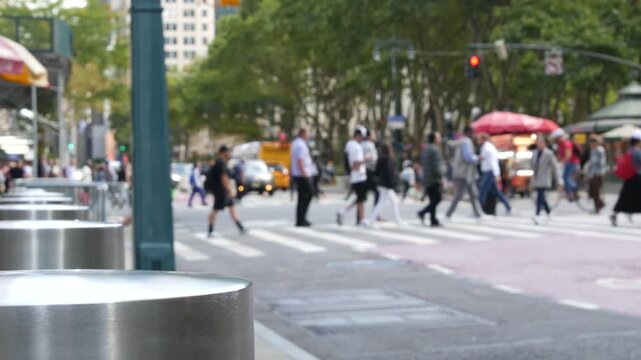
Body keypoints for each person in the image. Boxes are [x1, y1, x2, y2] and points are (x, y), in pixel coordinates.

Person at [206, 145, 246, 237]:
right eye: (228, 152)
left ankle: (240, 227)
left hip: (223, 191)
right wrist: (229, 189)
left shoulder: (220, 162)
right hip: (221, 191)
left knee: (232, 207)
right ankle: (210, 230)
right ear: (223, 153)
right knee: (215, 209)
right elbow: (224, 178)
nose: (230, 154)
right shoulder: (221, 163)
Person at [361, 143, 402, 227]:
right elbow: (390, 173)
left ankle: (398, 220)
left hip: (380, 183)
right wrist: (394, 182)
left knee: (394, 201)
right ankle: (370, 221)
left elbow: (376, 172)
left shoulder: (380, 159)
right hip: (387, 184)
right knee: (382, 203)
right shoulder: (389, 159)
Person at [445, 126, 482, 219]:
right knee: (460, 194)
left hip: (461, 172)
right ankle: (448, 213)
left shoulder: (460, 142)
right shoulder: (466, 142)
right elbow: (468, 157)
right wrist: (477, 158)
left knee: (472, 193)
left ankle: (478, 213)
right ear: (469, 133)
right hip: (464, 173)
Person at [337, 127, 368, 225]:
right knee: (361, 199)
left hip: (354, 176)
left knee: (360, 198)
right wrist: (366, 158)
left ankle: (346, 213)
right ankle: (361, 219)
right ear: (358, 136)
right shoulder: (356, 146)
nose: (362, 139)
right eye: (362, 137)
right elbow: (356, 163)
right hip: (359, 176)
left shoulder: (349, 145)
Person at [610, 130, 641, 226]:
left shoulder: (630, 150)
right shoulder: (637, 151)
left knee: (624, 198)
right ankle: (615, 215)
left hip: (630, 179)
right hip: (637, 178)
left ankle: (614, 214)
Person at [478, 133, 512, 215]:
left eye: (479, 139)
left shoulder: (486, 147)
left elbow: (492, 161)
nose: (478, 141)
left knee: (482, 191)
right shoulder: (490, 146)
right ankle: (508, 206)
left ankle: (479, 209)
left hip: (489, 172)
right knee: (497, 192)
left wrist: (496, 174)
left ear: (483, 139)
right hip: (491, 172)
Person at [531, 135, 561, 225]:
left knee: (540, 196)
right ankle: (548, 211)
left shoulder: (549, 153)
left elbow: (554, 167)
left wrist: (558, 180)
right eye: (537, 142)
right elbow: (532, 166)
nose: (538, 144)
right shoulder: (535, 153)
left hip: (544, 178)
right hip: (536, 177)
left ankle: (537, 214)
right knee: (542, 197)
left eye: (540, 142)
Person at [417, 132, 444, 227]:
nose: (440, 138)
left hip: (427, 177)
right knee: (437, 199)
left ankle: (433, 219)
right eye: (439, 137)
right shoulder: (435, 150)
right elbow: (436, 166)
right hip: (434, 178)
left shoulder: (425, 148)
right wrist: (441, 176)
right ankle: (422, 212)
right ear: (435, 139)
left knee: (433, 199)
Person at [291, 129, 315, 227]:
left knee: (302, 197)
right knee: (308, 194)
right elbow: (300, 160)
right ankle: (301, 219)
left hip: (299, 174)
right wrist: (304, 173)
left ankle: (301, 219)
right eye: (307, 133)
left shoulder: (297, 143)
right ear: (303, 134)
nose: (309, 135)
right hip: (302, 175)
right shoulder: (300, 144)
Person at [550, 129, 580, 201]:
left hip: (572, 162)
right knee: (565, 177)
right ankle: (571, 193)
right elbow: (560, 155)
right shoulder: (560, 144)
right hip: (568, 162)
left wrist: (562, 162)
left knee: (566, 177)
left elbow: (568, 155)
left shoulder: (565, 143)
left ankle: (573, 189)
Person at [585, 134, 607, 214]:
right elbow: (591, 162)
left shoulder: (600, 150)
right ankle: (598, 206)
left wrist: (599, 173)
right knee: (593, 191)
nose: (591, 145)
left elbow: (601, 162)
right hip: (592, 174)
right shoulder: (592, 150)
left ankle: (599, 206)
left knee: (596, 191)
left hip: (598, 173)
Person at [361, 129, 379, 206]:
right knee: (377, 192)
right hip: (370, 170)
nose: (375, 136)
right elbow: (369, 157)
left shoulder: (362, 144)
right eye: (373, 134)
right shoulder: (370, 145)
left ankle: (344, 211)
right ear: (369, 136)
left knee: (362, 194)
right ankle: (375, 213)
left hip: (364, 170)